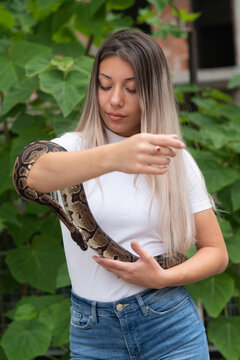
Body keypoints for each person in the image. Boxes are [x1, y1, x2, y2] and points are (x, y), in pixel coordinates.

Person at [26, 29, 228, 360]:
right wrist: (116, 156)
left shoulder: (171, 157)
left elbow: (216, 252)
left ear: (152, 92)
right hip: (94, 334)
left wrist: (163, 277)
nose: (115, 99)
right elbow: (31, 175)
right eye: (105, 85)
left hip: (168, 326)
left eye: (131, 88)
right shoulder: (72, 149)